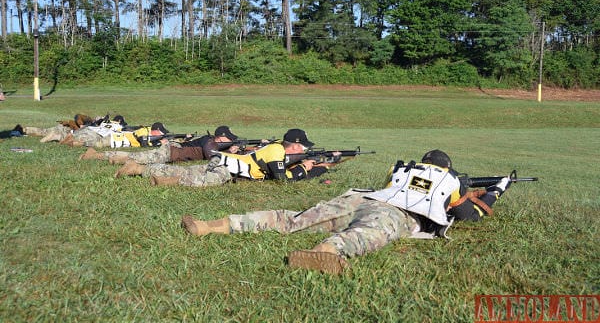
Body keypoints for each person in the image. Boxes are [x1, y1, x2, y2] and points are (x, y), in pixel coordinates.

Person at [180, 149, 513, 275]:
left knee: (294, 218)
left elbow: (392, 186)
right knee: (366, 235)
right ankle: (325, 252)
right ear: (448, 167)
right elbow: (468, 214)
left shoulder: (404, 168)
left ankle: (211, 226)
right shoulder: (450, 179)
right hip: (395, 214)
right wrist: (496, 190)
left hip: (361, 199)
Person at [114, 128, 341, 187]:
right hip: (228, 169)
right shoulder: (276, 151)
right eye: (302, 148)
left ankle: (139, 169)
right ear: (295, 146)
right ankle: (156, 176)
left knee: (188, 172)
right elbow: (282, 181)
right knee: (198, 181)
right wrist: (307, 168)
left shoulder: (277, 150)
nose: (303, 152)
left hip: (225, 164)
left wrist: (316, 166)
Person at [80, 125, 248, 165]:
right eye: (229, 139)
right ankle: (95, 155)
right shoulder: (209, 142)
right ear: (220, 138)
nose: (230, 141)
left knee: (137, 157)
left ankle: (97, 154)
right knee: (135, 157)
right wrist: (233, 152)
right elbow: (213, 156)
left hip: (172, 152)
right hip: (169, 152)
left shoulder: (213, 142)